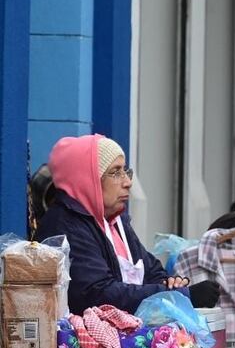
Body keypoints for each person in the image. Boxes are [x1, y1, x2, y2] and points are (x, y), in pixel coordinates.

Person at [35, 134, 220, 315]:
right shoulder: (66, 226)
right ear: (87, 179)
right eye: (116, 172)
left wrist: (171, 285)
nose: (128, 182)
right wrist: (180, 296)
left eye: (126, 171)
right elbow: (98, 294)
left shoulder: (115, 222)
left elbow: (152, 270)